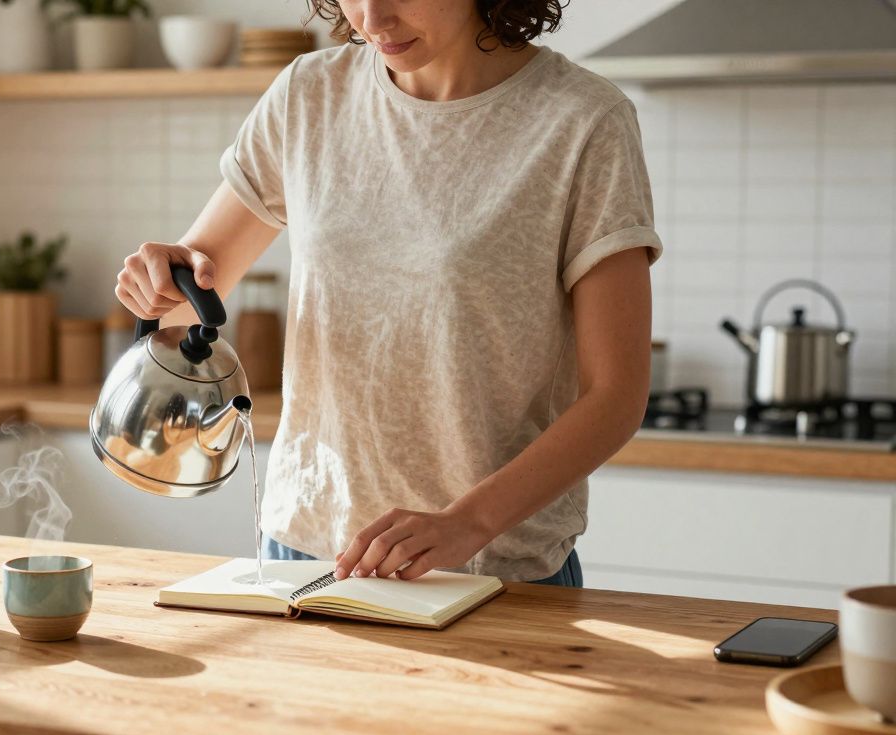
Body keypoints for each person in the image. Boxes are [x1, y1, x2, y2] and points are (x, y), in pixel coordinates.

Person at [112, 0, 661, 587]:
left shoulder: (582, 121)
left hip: (485, 567)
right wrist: (161, 277)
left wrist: (467, 522)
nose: (372, 18)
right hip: (304, 548)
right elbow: (200, 270)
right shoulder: (309, 96)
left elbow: (616, 395)